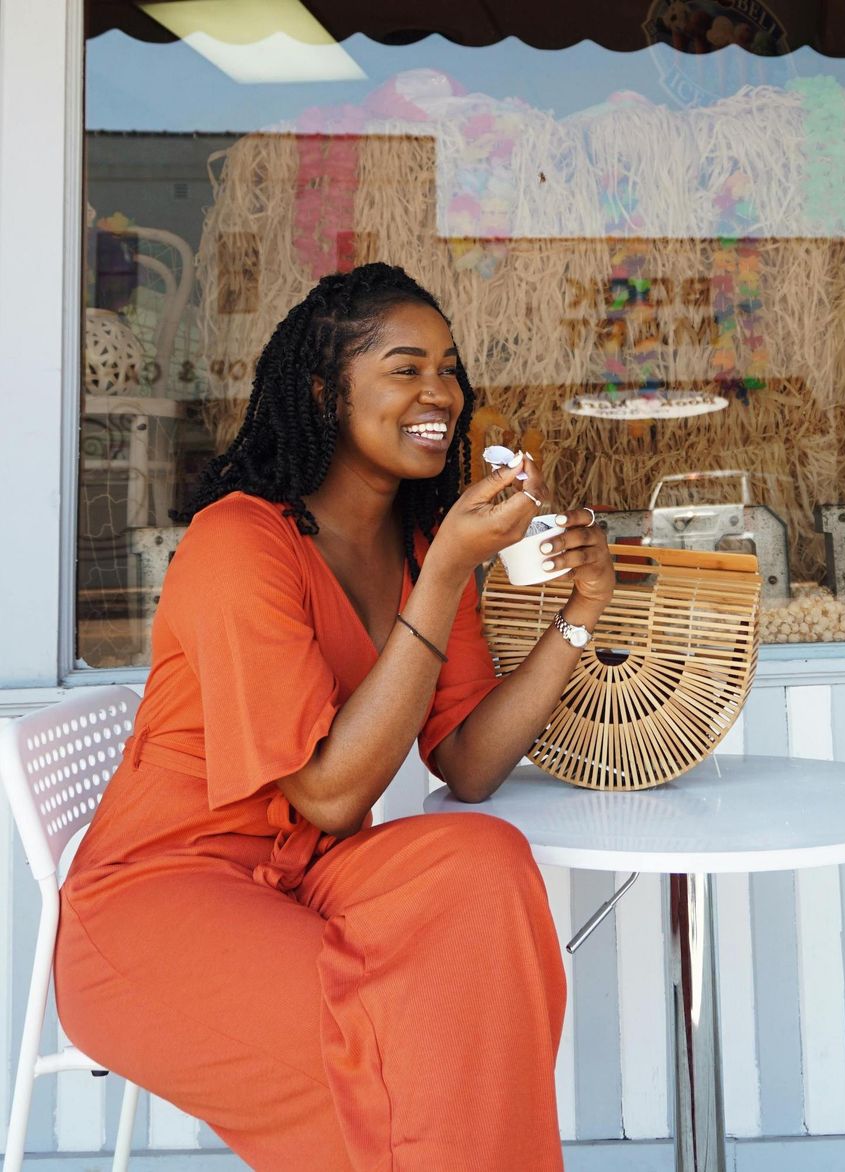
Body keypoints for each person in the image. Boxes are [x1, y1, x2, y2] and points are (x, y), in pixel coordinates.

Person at [55, 262, 615, 1171]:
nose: (441, 391)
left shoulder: (422, 543)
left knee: (486, 863)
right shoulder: (238, 541)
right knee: (396, 1050)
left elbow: (466, 763)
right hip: (162, 901)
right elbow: (323, 791)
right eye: (405, 368)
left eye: (450, 366)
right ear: (325, 391)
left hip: (314, 881)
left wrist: (578, 615)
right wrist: (442, 581)